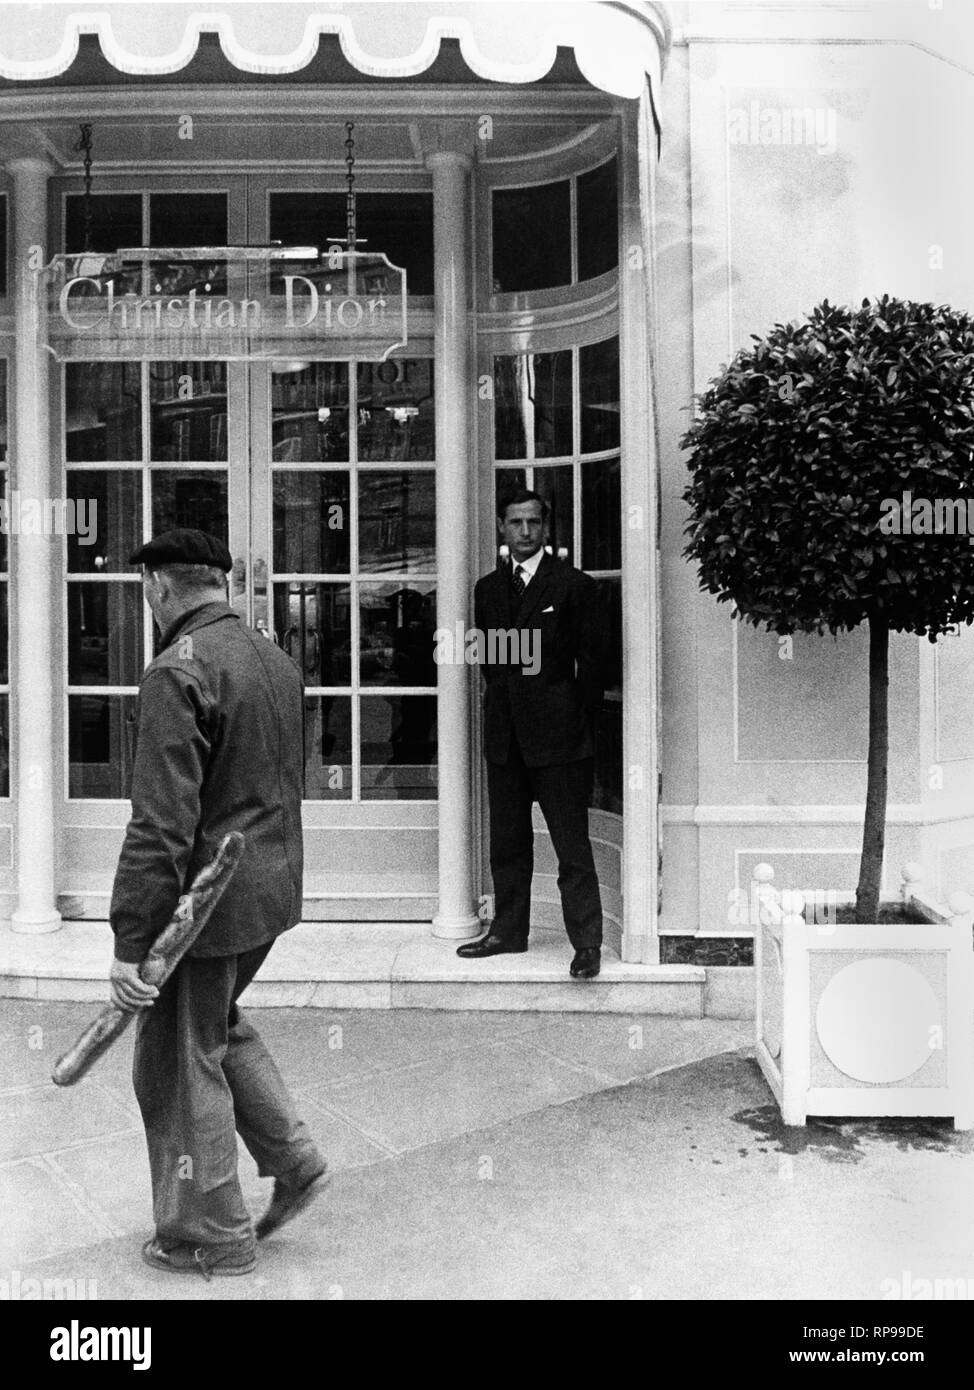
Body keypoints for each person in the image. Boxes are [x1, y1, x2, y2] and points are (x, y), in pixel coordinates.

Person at [108, 527, 328, 1279]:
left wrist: (131, 942)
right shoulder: (272, 657)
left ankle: (212, 1234)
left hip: (204, 909)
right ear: (219, 583)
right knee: (216, 1026)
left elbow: (160, 824)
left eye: (147, 590)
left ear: (160, 588)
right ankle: (294, 1162)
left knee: (174, 1061)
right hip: (269, 892)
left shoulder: (176, 671)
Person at [458, 490, 606, 979]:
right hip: (505, 737)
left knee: (572, 846)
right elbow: (490, 664)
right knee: (508, 842)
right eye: (516, 523)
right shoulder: (487, 590)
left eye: (534, 523)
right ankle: (508, 931)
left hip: (560, 740)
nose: (525, 532)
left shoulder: (572, 586)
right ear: (502, 527)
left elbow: (594, 668)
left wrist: (570, 716)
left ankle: (586, 944)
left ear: (546, 528)